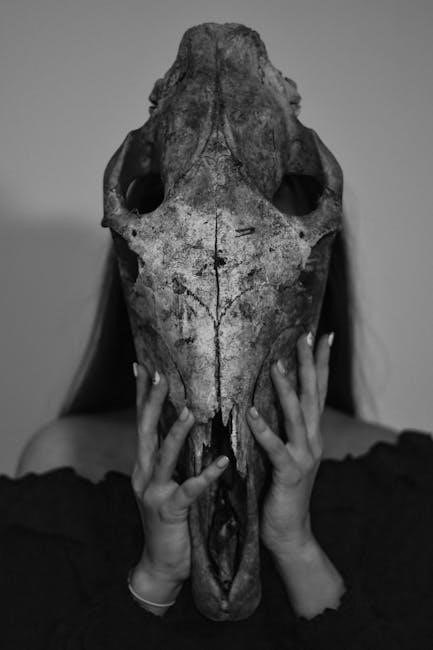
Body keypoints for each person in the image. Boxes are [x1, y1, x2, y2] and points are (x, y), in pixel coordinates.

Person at [3, 227, 433, 649]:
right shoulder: (65, 459)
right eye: (187, 273)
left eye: (263, 272)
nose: (223, 310)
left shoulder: (403, 479)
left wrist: (298, 549)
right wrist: (155, 579)